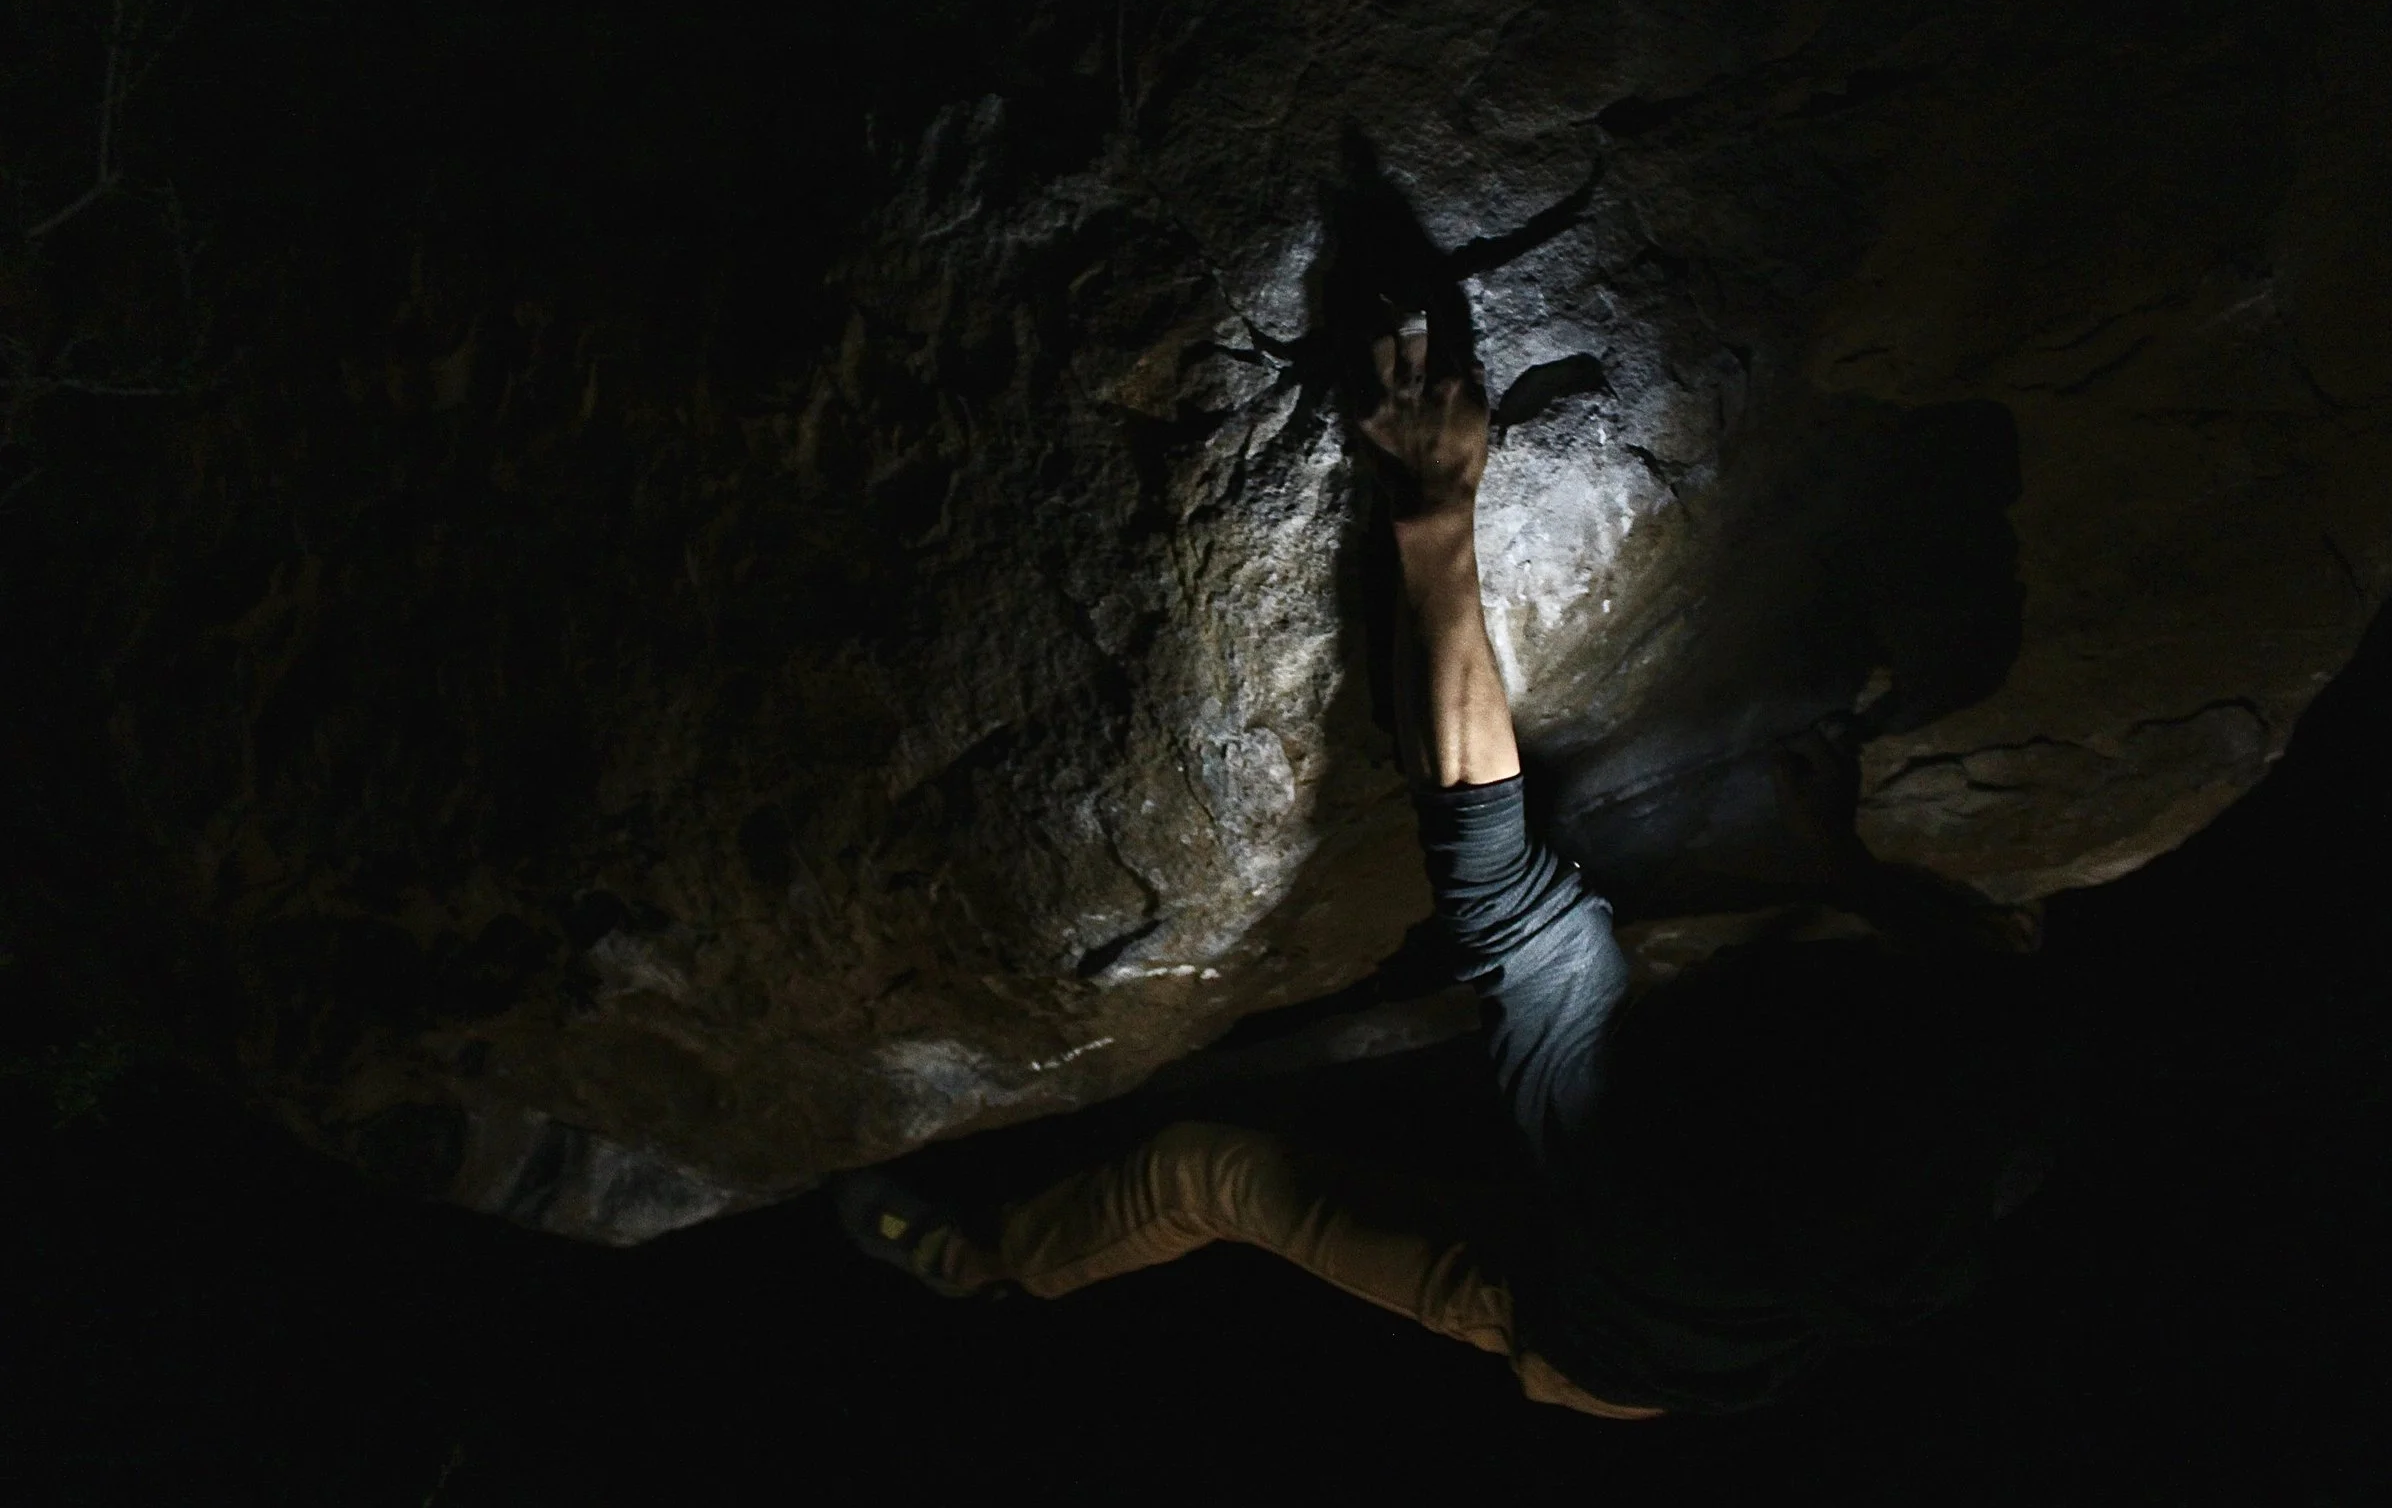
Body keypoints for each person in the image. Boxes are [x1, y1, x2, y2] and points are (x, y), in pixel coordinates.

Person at [836, 313, 2061, 1418]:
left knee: (1204, 1170)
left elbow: (1489, 856)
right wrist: (1839, 857)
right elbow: (1969, 958)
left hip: (1590, 1336)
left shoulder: (1627, 1163)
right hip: (1730, 1266)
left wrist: (1432, 517)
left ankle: (977, 1261)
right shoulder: (1967, 1059)